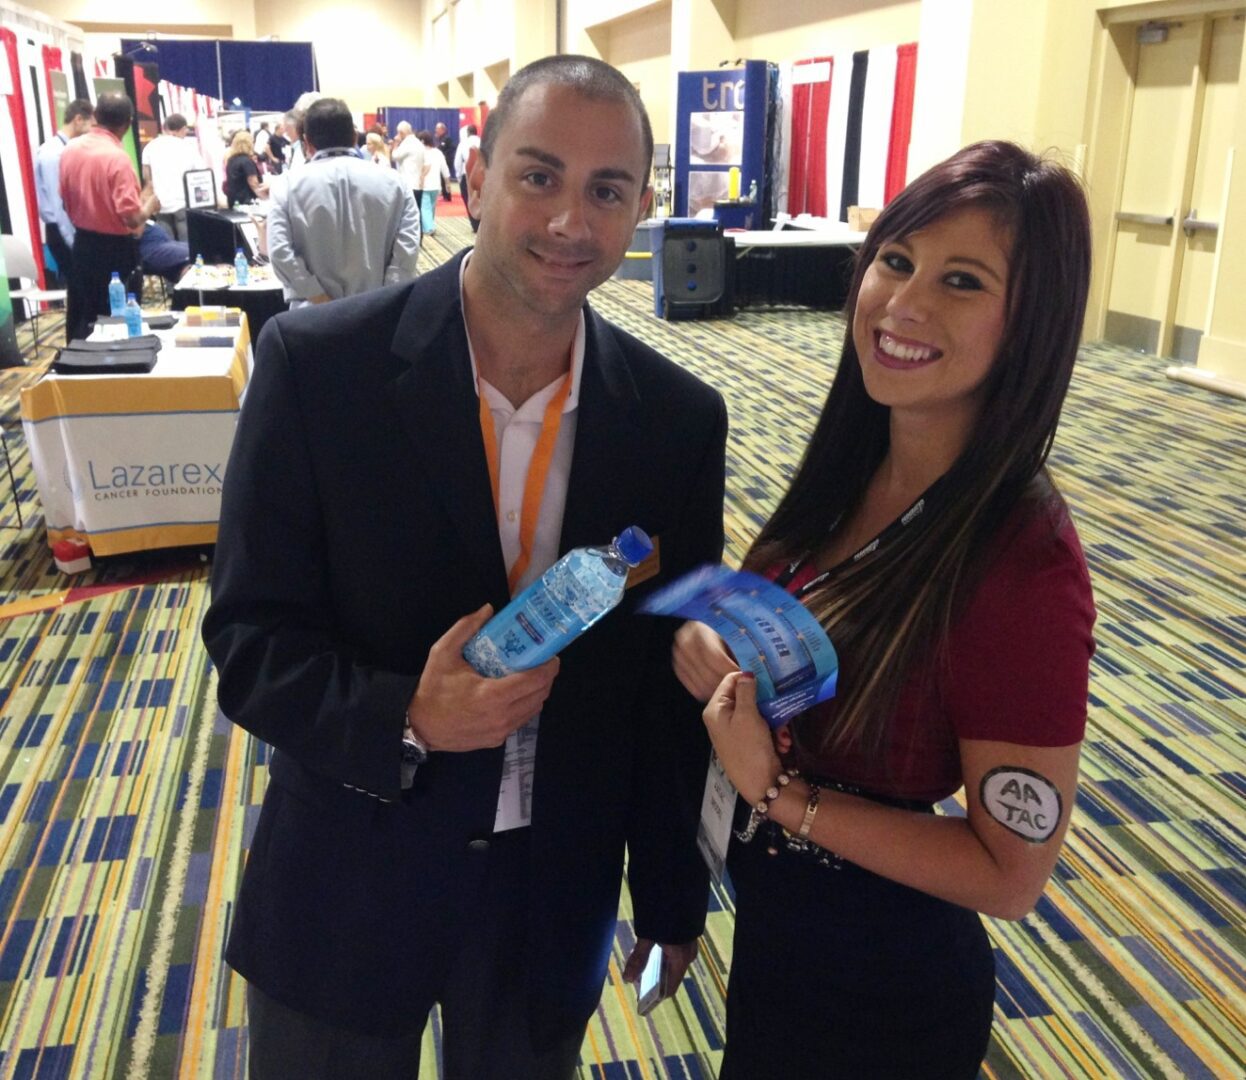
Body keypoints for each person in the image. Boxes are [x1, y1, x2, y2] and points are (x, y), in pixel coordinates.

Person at [203, 53, 726, 1080]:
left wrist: (671, 893)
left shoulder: (672, 422)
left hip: (551, 891)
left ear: (639, 209)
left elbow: (669, 687)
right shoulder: (320, 371)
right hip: (351, 875)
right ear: (474, 179)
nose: (570, 222)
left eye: (606, 190)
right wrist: (408, 714)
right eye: (539, 176)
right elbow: (249, 639)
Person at [675, 140, 1096, 1080]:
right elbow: (811, 612)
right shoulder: (858, 459)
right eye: (895, 261)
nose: (903, 304)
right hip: (784, 934)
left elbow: (1011, 873)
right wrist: (719, 635)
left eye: (962, 281)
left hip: (884, 988)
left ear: (1030, 321)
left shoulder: (1022, 562)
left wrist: (779, 795)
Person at [266, 97, 419, 306]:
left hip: (310, 319)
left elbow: (280, 252)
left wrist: (318, 297)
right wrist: (383, 300)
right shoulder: (396, 183)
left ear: (307, 142)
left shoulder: (286, 186)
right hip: (377, 316)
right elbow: (407, 250)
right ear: (355, 137)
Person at [59, 92, 160, 342]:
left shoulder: (70, 150)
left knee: (82, 317)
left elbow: (64, 199)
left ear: (95, 116)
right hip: (115, 253)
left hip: (82, 245)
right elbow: (131, 218)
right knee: (116, 324)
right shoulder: (117, 158)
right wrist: (149, 205)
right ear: (127, 123)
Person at [34, 98, 93, 285]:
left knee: (80, 293)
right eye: (91, 124)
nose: (93, 131)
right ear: (78, 120)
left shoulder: (65, 149)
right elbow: (58, 203)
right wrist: (73, 241)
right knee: (80, 289)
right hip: (62, 230)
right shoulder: (54, 154)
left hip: (69, 228)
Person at [141, 113, 202, 242]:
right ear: (183, 128)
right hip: (184, 202)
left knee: (167, 244)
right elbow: (199, 174)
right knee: (187, 246)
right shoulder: (188, 148)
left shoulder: (150, 147)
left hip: (160, 203)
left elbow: (147, 176)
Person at [416, 129, 449, 236]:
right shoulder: (438, 152)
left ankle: (429, 228)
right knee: (431, 207)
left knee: (425, 208)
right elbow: (445, 169)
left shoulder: (420, 153)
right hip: (436, 185)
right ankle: (429, 225)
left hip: (424, 184)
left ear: (421, 141)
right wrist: (447, 183)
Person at [223, 130, 267, 207]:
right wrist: (265, 198)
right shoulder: (247, 162)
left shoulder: (231, 160)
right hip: (246, 202)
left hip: (233, 201)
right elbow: (254, 183)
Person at [391, 120, 425, 211]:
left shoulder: (407, 143)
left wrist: (395, 144)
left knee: (409, 213)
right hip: (418, 184)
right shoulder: (418, 143)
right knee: (417, 211)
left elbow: (394, 156)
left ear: (401, 133)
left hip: (408, 184)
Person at [455, 123, 481, 233]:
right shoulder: (482, 141)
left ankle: (474, 224)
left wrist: (458, 177)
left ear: (468, 133)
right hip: (484, 174)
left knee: (469, 200)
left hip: (467, 174)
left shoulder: (463, 144)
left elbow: (457, 162)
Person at [435, 120, 456, 201]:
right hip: (442, 162)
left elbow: (452, 148)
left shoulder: (447, 138)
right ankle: (444, 195)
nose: (436, 130)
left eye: (437, 128)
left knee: (445, 179)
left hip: (446, 162)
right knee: (442, 179)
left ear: (442, 130)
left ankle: (447, 196)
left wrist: (446, 155)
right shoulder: (440, 139)